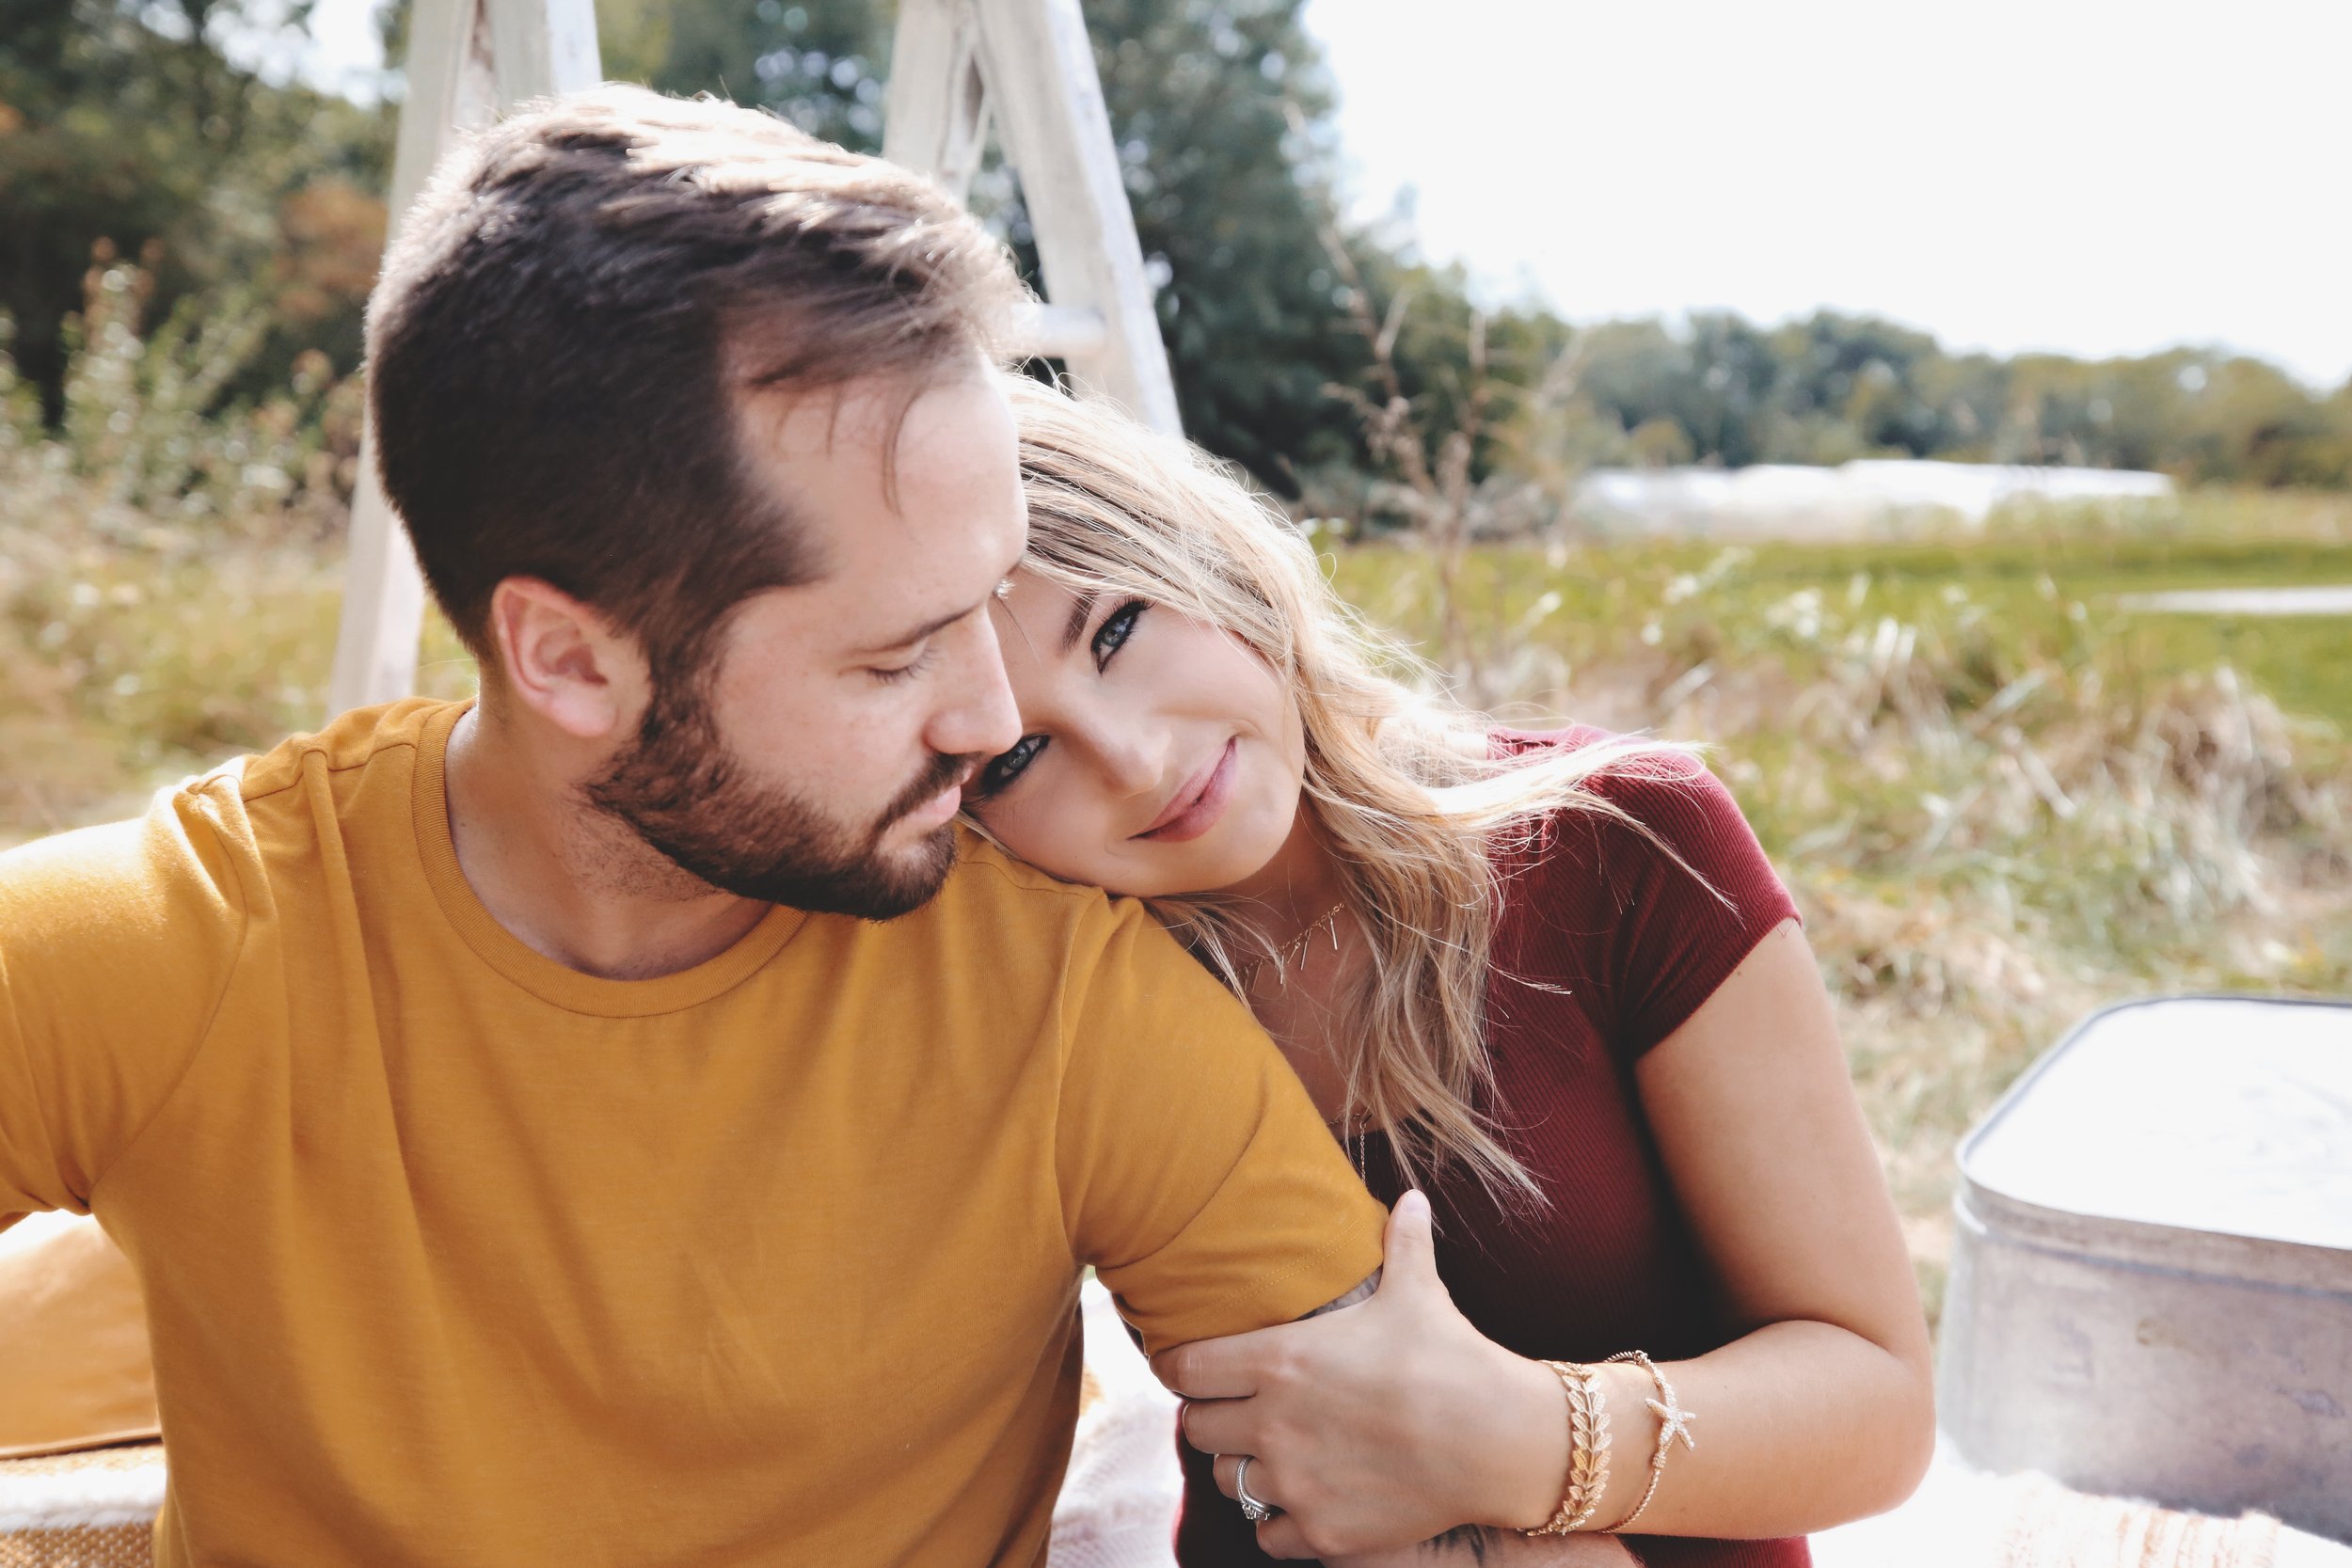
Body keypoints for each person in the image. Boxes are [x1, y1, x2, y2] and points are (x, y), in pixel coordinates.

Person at [0, 87, 1391, 1567]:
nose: (991, 721)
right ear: (572, 662)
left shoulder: (1063, 991)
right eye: (892, 654)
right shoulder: (185, 949)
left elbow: (1431, 1509)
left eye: (986, 603)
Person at [966, 381, 1938, 1567]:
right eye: (1015, 755)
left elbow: (1879, 1408)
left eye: (1115, 629)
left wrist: (1512, 1439)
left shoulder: (1623, 838)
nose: (1131, 758)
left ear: (1205, 553)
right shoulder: (1055, 995)